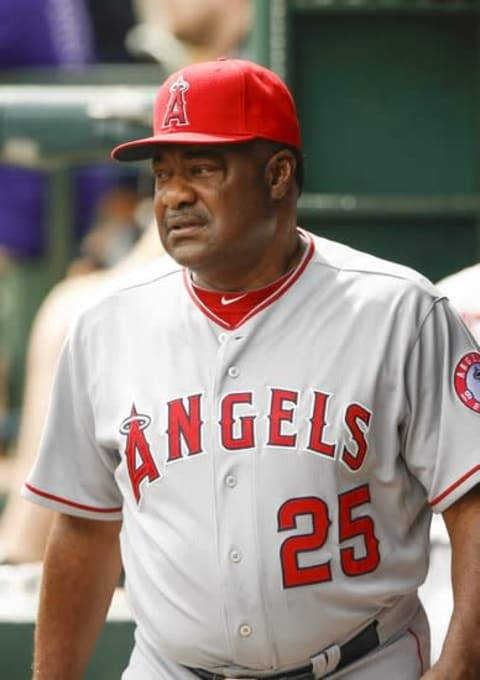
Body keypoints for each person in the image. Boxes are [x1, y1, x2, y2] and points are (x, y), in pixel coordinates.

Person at [22, 58, 480, 679]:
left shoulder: (399, 313)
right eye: (161, 175)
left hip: (361, 664)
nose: (174, 195)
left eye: (201, 169)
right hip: (173, 668)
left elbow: (473, 511)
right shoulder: (106, 327)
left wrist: (459, 671)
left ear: (277, 174)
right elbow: (83, 529)